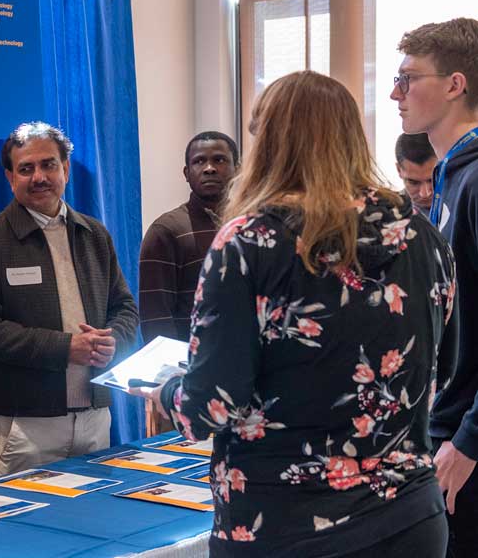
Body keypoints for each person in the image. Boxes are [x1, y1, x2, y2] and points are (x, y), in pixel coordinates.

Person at [133, 71, 457, 557]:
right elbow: (445, 369)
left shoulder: (249, 242)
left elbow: (213, 406)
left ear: (269, 144)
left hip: (284, 522)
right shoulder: (422, 233)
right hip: (408, 516)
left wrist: (169, 391)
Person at [0, 121, 138, 477]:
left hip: (94, 413)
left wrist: (111, 341)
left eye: (48, 164)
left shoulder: (94, 234)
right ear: (10, 178)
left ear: (66, 169)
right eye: (26, 168)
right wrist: (64, 347)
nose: (39, 176)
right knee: (26, 530)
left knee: (93, 522)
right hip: (26, 424)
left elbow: (125, 308)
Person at [392, 17, 478, 556]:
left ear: (454, 84)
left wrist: (470, 439)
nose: (396, 93)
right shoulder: (450, 175)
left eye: (408, 78)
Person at [139, 131, 238, 343]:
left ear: (237, 169)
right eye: (199, 161)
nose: (209, 168)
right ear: (186, 173)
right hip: (193, 366)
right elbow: (157, 319)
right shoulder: (166, 230)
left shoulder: (253, 227)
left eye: (219, 160)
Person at [394, 132, 437, 214]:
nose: (425, 194)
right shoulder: (388, 217)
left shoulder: (466, 204)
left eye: (433, 180)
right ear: (399, 170)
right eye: (413, 182)